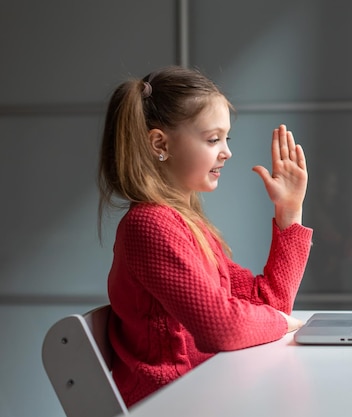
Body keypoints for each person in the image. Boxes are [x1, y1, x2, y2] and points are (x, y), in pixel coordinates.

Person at [97, 65, 313, 407]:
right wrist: (282, 323)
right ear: (159, 144)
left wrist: (289, 211)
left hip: (202, 391)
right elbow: (223, 327)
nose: (227, 151)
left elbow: (269, 302)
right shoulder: (150, 226)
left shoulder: (183, 223)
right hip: (171, 401)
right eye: (213, 139)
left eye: (227, 138)